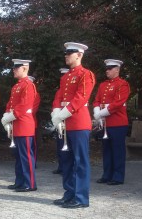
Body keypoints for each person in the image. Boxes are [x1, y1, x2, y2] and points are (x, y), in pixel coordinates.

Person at [51, 42, 96, 208]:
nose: (66, 55)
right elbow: (58, 96)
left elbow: (81, 97)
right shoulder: (66, 77)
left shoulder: (86, 74)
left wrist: (63, 112)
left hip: (78, 122)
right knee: (67, 161)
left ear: (79, 55)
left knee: (80, 161)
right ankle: (69, 193)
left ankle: (81, 198)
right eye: (66, 53)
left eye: (70, 53)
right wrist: (55, 111)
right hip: (65, 122)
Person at [2, 59, 37, 192]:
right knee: (18, 156)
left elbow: (24, 106)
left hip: (24, 124)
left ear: (25, 69)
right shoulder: (16, 86)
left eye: (17, 68)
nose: (14, 70)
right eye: (14, 68)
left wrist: (9, 116)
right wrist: (6, 116)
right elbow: (10, 104)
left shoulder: (28, 85)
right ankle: (20, 181)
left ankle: (30, 183)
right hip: (16, 123)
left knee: (26, 156)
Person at [93, 59, 130, 185]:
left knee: (117, 150)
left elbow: (117, 103)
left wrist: (101, 113)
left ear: (117, 70)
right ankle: (107, 174)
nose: (107, 70)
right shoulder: (103, 85)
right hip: (105, 122)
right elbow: (97, 100)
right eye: (107, 68)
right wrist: (97, 110)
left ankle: (118, 176)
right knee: (107, 150)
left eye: (110, 68)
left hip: (117, 122)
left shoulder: (122, 84)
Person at [52, 68, 70, 175]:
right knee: (60, 144)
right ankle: (61, 165)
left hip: (68, 119)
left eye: (64, 75)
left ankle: (66, 167)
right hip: (60, 119)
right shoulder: (59, 91)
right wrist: (56, 116)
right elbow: (56, 103)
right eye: (61, 76)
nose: (62, 78)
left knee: (67, 145)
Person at [28, 76, 41, 163]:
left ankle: (33, 161)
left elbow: (33, 110)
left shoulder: (36, 95)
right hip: (21, 121)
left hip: (31, 122)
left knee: (32, 145)